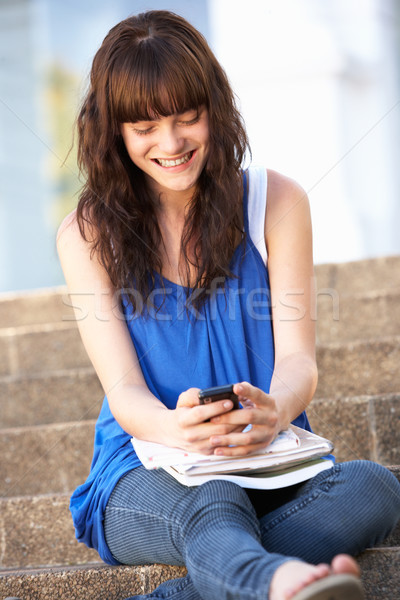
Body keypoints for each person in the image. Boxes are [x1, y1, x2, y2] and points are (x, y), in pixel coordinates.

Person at [57, 10, 400, 600]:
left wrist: (276, 410)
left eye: (188, 118)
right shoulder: (87, 234)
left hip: (266, 460)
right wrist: (176, 429)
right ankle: (278, 582)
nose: (172, 144)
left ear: (215, 107)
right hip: (144, 470)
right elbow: (126, 393)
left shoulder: (276, 201)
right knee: (215, 498)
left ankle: (212, 583)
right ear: (113, 131)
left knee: (375, 486)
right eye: (145, 127)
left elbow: (298, 363)